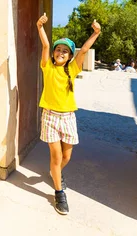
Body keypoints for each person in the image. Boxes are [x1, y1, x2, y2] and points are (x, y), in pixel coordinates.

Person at [36, 13, 101, 215]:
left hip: (68, 118)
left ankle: (55, 173)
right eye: (59, 49)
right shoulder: (47, 68)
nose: (61, 52)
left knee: (66, 156)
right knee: (55, 157)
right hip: (50, 116)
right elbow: (45, 46)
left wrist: (96, 33)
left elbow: (85, 50)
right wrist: (39, 27)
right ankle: (59, 192)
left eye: (65, 50)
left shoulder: (72, 70)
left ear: (70, 55)